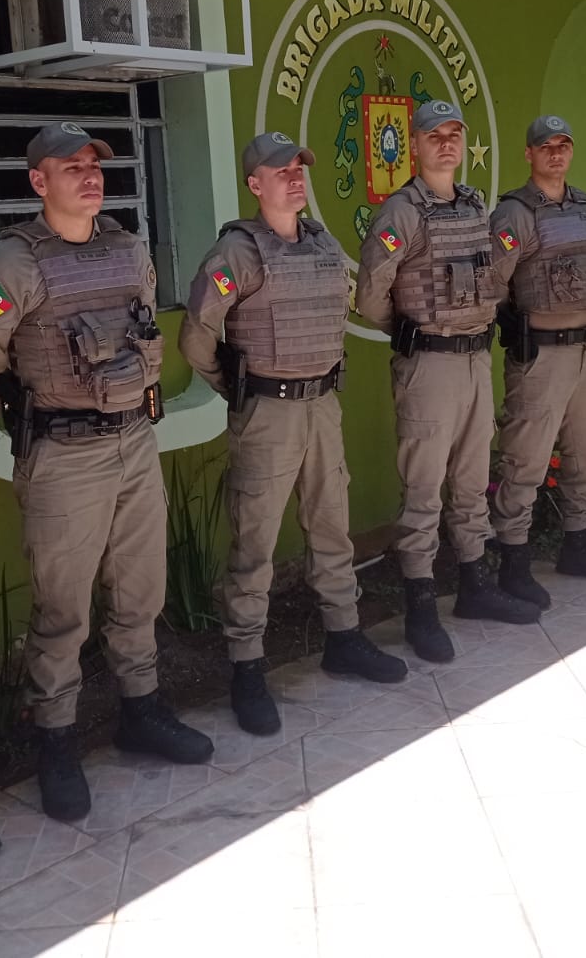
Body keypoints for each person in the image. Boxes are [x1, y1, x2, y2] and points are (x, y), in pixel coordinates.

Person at [0, 121, 212, 824]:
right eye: (71, 167)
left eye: (94, 164)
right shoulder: (13, 266)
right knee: (62, 609)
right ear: (39, 182)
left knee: (141, 591)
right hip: (64, 457)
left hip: (133, 442)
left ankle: (141, 710)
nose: (90, 176)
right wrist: (31, 418)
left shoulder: (129, 251)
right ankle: (56, 742)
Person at [179, 132, 408, 735]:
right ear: (255, 185)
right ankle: (247, 667)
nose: (293, 178)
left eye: (298, 168)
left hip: (321, 404)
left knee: (332, 526)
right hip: (268, 414)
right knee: (253, 544)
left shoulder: (323, 241)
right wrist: (237, 390)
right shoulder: (238, 252)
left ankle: (343, 635)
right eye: (280, 172)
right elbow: (198, 336)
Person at [355, 99, 543, 664]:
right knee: (423, 493)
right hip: (430, 367)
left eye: (454, 134)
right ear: (414, 145)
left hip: (474, 362)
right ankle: (419, 608)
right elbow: (369, 296)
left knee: (469, 482)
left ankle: (474, 587)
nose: (446, 143)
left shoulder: (474, 205)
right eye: (434, 135)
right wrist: (412, 332)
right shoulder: (402, 214)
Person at [489, 114, 586, 598]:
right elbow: (494, 285)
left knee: (584, 453)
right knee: (525, 459)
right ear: (528, 154)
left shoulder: (585, 206)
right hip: (541, 357)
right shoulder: (513, 214)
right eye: (545, 146)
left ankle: (579, 543)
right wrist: (515, 329)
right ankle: (513, 558)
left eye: (563, 144)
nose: (555, 153)